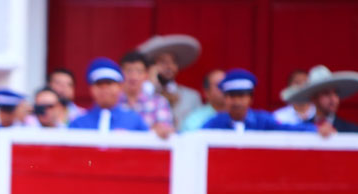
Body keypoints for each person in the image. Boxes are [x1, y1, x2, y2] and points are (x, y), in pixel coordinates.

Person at [202, 68, 332, 135]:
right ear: (226, 99)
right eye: (232, 96)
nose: (236, 102)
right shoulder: (214, 122)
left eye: (241, 96)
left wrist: (316, 130)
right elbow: (194, 137)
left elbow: (288, 129)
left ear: (250, 99)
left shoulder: (263, 120)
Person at [136, 34, 202, 128]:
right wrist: (150, 84)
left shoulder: (191, 97)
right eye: (163, 62)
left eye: (173, 62)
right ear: (151, 67)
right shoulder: (139, 94)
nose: (169, 67)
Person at [69, 58, 148, 132]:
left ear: (120, 87)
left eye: (109, 83)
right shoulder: (79, 124)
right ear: (91, 89)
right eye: (99, 84)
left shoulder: (134, 120)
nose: (105, 88)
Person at [282, 64, 358, 133]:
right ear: (313, 98)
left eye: (335, 93)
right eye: (326, 93)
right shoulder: (302, 129)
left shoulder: (351, 130)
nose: (333, 98)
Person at [118, 51, 174, 138]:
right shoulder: (113, 102)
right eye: (129, 71)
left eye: (139, 71)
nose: (133, 76)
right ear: (120, 73)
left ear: (146, 75)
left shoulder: (159, 102)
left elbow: (165, 131)